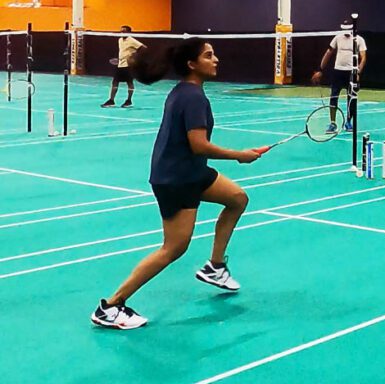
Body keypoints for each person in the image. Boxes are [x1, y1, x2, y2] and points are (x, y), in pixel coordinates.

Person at [90, 38, 263, 330]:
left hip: (191, 172)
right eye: (209, 55)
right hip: (177, 178)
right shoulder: (192, 97)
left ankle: (215, 266)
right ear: (192, 64)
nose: (216, 59)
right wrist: (239, 156)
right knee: (173, 248)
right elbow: (199, 145)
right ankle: (110, 306)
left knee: (237, 198)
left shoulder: (186, 92)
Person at [312, 20, 367, 133]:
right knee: (333, 97)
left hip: (351, 73)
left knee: (351, 99)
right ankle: (332, 124)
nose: (346, 32)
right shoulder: (337, 38)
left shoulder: (359, 40)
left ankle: (348, 122)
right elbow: (328, 53)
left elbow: (363, 58)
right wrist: (320, 69)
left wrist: (358, 72)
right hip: (338, 72)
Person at [101, 25, 145, 108]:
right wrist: (119, 59)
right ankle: (111, 100)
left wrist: (134, 57)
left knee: (129, 83)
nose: (122, 33)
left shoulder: (132, 40)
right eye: (121, 31)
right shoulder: (120, 40)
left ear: (128, 32)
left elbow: (144, 48)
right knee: (115, 82)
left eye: (124, 31)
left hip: (129, 65)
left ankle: (129, 101)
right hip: (120, 64)